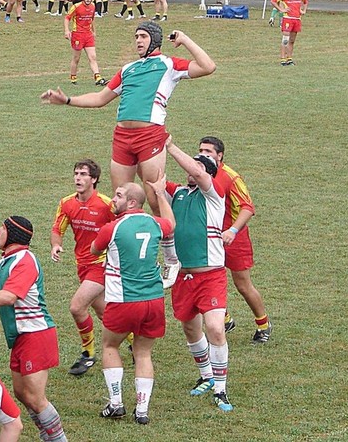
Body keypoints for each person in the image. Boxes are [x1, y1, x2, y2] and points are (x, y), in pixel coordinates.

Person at [40, 22, 216, 214]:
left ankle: (166, 234)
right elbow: (100, 98)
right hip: (122, 137)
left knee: (155, 198)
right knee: (120, 200)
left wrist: (184, 40)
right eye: (136, 37)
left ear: (155, 39)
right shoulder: (128, 69)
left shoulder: (168, 64)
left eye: (143, 36)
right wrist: (67, 100)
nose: (138, 41)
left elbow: (208, 66)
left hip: (150, 136)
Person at [0, 217, 68, 442]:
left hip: (36, 334)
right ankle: (48, 435)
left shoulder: (25, 260)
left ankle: (58, 439)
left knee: (35, 397)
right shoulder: (7, 260)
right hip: (21, 337)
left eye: (2, 228)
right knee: (21, 393)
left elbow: (8, 296)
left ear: (13, 234)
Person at [91, 179, 174, 425]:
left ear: (132, 202)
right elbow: (171, 224)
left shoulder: (112, 228)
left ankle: (116, 403)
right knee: (143, 352)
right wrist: (160, 194)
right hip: (154, 299)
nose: (112, 199)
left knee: (110, 346)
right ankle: (142, 410)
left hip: (123, 300)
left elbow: (95, 250)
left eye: (118, 195)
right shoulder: (155, 223)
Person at [164, 139, 233, 412]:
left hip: (211, 275)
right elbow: (154, 182)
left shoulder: (214, 194)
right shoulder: (179, 193)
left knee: (215, 327)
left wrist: (169, 146)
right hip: (183, 276)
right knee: (190, 328)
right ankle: (206, 375)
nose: (190, 171)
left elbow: (198, 171)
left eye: (197, 167)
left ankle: (221, 389)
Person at [197, 136, 272, 343]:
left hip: (233, 239)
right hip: (209, 238)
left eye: (208, 151)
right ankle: (225, 319)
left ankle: (263, 324)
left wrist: (232, 231)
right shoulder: (198, 173)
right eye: (201, 150)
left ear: (220, 155)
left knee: (243, 285)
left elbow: (247, 207)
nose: (203, 155)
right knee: (205, 281)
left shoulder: (230, 177)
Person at [50, 159, 116, 376]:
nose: (78, 178)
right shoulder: (67, 203)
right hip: (83, 265)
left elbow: (121, 227)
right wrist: (56, 245)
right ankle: (134, 342)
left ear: (94, 179)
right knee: (104, 312)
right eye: (76, 173)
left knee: (77, 307)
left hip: (101, 264)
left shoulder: (107, 205)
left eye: (83, 174)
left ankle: (88, 354)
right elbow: (57, 229)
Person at [63, 0, 107, 86]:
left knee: (93, 57)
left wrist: (94, 31)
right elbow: (67, 18)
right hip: (78, 35)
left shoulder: (93, 6)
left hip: (88, 35)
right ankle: (73, 77)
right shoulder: (76, 6)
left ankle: (98, 77)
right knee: (76, 58)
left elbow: (92, 19)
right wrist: (66, 30)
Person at [271, 0, 308, 66]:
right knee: (285, 40)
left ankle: (289, 59)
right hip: (287, 19)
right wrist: (281, 9)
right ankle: (283, 59)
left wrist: (303, 10)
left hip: (297, 19)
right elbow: (273, 1)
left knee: (292, 40)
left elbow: (305, 1)